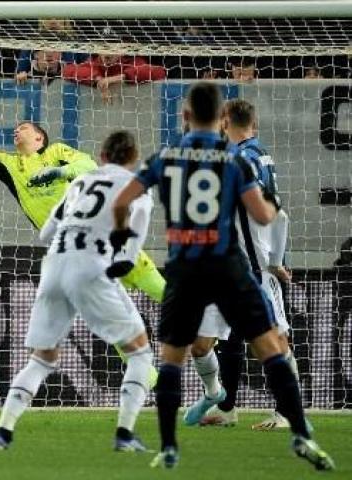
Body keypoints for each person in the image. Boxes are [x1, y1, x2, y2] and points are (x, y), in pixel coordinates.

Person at [111, 82, 334, 470]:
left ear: (184, 117)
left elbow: (123, 201)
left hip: (186, 266)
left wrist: (121, 237)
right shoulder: (235, 161)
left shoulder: (166, 156)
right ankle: (300, 432)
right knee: (267, 345)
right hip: (229, 263)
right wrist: (274, 205)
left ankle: (168, 446)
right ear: (220, 118)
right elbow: (266, 215)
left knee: (172, 356)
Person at [0, 83, 165, 365]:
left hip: (108, 236)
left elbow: (88, 167)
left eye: (24, 127)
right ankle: (147, 378)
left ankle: (208, 325)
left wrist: (58, 173)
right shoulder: (10, 166)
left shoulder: (57, 152)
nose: (17, 130)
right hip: (75, 255)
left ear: (39, 138)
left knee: (161, 291)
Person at [0, 130, 154, 451]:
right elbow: (133, 243)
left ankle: (3, 431)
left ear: (102, 156)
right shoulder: (138, 189)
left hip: (53, 266)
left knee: (42, 359)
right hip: (91, 266)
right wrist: (119, 260)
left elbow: (46, 232)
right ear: (133, 160)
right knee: (140, 353)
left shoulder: (81, 183)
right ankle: (124, 435)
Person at [186, 99, 296, 430]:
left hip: (254, 271)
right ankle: (223, 403)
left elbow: (279, 213)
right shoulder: (251, 153)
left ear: (224, 121)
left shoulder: (243, 160)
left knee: (274, 342)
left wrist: (274, 263)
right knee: (201, 344)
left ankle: (286, 413)